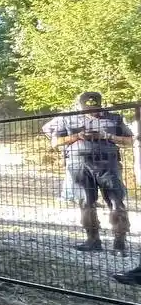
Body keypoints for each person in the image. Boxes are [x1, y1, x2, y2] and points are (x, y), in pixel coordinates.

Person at [44, 91, 134, 254]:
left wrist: (108, 135)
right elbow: (55, 143)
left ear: (100, 104)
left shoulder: (114, 118)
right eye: (87, 108)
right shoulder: (68, 118)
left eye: (95, 108)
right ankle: (93, 240)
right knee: (86, 202)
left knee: (116, 202)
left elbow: (130, 140)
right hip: (79, 164)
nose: (91, 111)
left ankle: (119, 243)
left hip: (109, 164)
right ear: (80, 105)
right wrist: (77, 136)